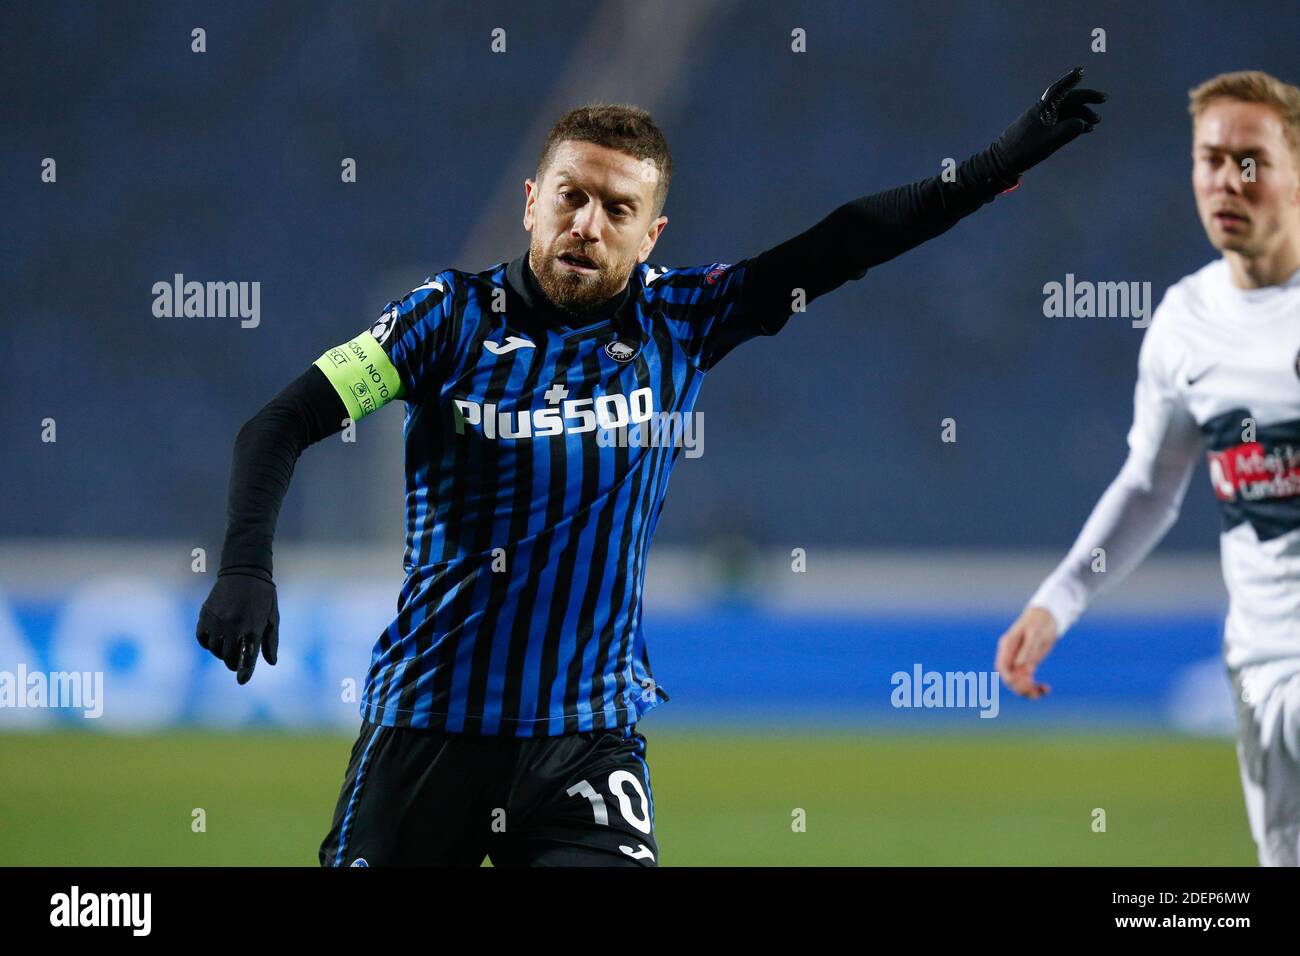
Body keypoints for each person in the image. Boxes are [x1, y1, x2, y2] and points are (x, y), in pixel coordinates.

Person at [196, 69, 1106, 866]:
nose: (587, 224)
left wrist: (991, 167)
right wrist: (243, 565)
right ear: (531, 201)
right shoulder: (444, 320)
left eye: (616, 209)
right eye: (570, 196)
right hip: (428, 723)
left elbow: (844, 243)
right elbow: (279, 423)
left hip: (584, 739)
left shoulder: (683, 320)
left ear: (651, 233)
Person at [996, 70, 1300, 867]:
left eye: (1252, 159)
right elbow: (1151, 482)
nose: (1226, 180)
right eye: (1210, 158)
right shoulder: (1185, 322)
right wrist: (1057, 600)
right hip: (1260, 664)